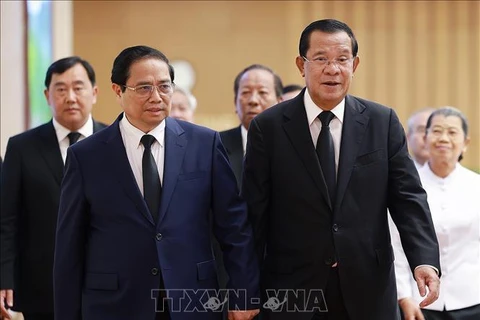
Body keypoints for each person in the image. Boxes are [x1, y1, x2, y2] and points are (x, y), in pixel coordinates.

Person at [242, 19, 441, 320]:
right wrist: (245, 289)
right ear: (301, 64)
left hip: (368, 288)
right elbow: (253, 214)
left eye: (342, 59)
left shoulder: (381, 121)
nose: (332, 69)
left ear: (355, 64)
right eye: (321, 59)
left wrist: (423, 260)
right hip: (292, 289)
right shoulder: (268, 128)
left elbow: (408, 198)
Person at [53, 45, 259, 320]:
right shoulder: (86, 156)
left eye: (164, 86)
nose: (157, 97)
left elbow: (234, 226)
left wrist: (243, 293)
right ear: (118, 90)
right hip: (115, 304)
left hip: (192, 301)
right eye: (144, 88)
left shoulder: (204, 143)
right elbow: (69, 246)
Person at [0, 56, 106, 320]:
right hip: (41, 285)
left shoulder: (114, 143)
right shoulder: (21, 148)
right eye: (60, 89)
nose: (70, 97)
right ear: (48, 95)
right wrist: (4, 277)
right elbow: (6, 220)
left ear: (94, 93)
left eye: (78, 87)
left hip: (106, 282)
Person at [392, 107, 480, 320]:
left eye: (452, 132)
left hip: (472, 298)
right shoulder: (405, 186)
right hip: (418, 301)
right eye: (437, 131)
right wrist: (404, 296)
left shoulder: (476, 186)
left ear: (465, 143)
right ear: (425, 138)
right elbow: (395, 246)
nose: (443, 138)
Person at [220, 64, 283, 188]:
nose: (253, 100)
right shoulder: (217, 146)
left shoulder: (295, 144)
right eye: (246, 92)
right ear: (235, 102)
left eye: (262, 92)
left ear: (280, 102)